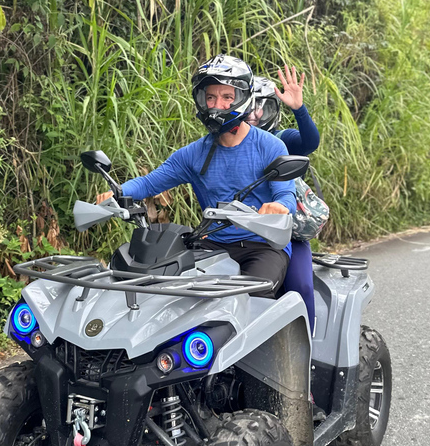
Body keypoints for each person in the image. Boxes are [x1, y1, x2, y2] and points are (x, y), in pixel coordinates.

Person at [96, 55, 297, 298]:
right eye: (210, 97)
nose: (216, 105)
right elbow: (149, 182)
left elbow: (285, 195)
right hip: (213, 243)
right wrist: (117, 192)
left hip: (263, 246)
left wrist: (279, 207)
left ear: (243, 99)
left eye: (227, 97)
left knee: (252, 298)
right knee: (171, 294)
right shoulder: (193, 154)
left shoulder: (270, 146)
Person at [246, 66, 322, 328]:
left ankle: (306, 353)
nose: (256, 114)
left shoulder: (280, 139)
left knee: (301, 285)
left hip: (284, 232)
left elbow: (310, 142)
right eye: (250, 106)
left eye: (263, 107)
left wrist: (299, 109)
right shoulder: (224, 142)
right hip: (238, 233)